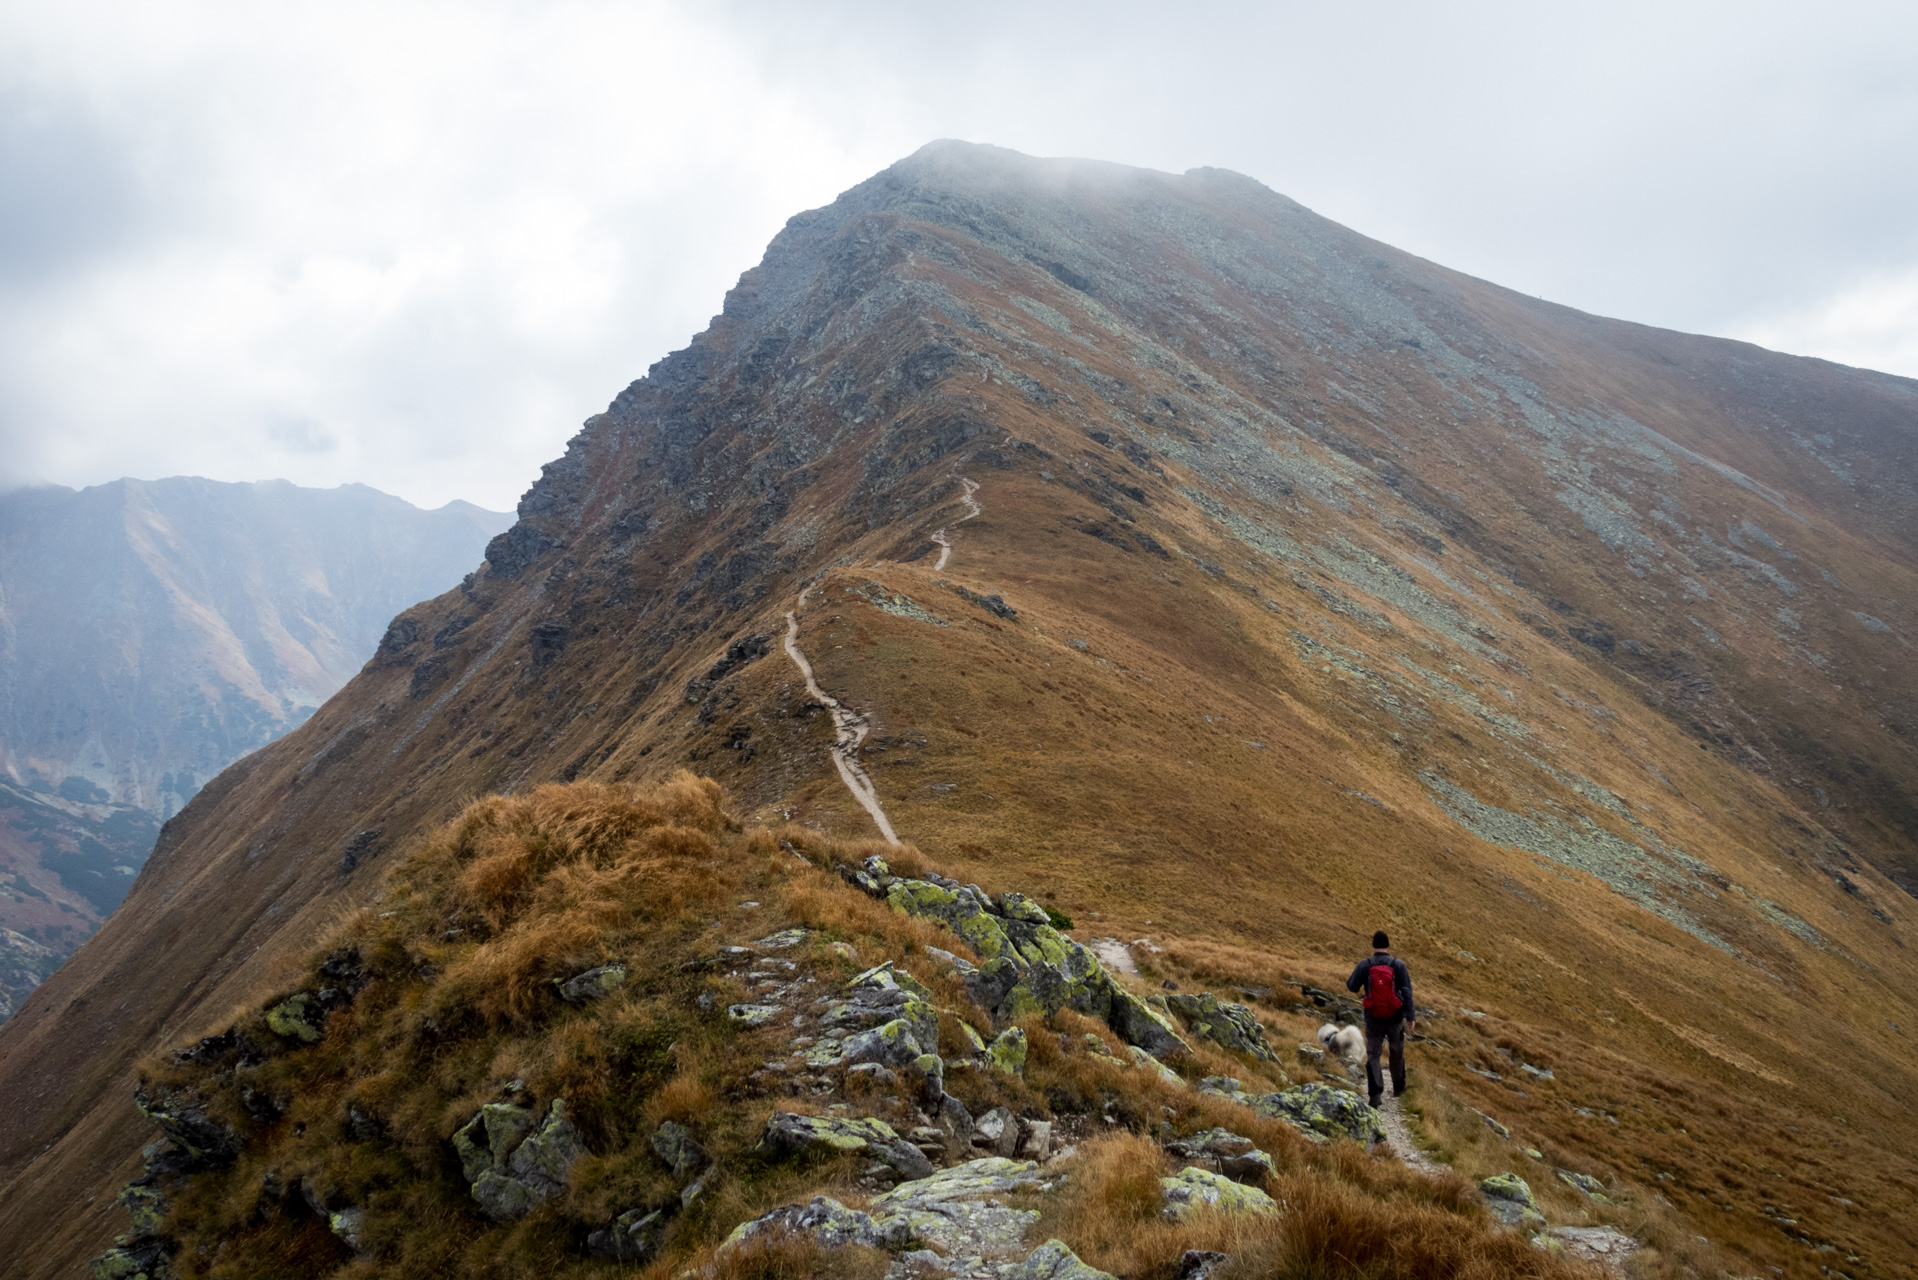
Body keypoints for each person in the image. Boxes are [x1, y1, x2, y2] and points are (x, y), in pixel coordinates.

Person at [1345, 930, 1416, 1108]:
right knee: (1396, 1050)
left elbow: (1351, 986)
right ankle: (1399, 1086)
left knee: (1374, 1054)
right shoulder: (1398, 965)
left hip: (1373, 1018)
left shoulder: (1365, 965)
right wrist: (1410, 1017)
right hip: (1395, 1018)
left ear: (1373, 945)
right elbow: (1407, 992)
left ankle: (1375, 1093)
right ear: (1388, 945)